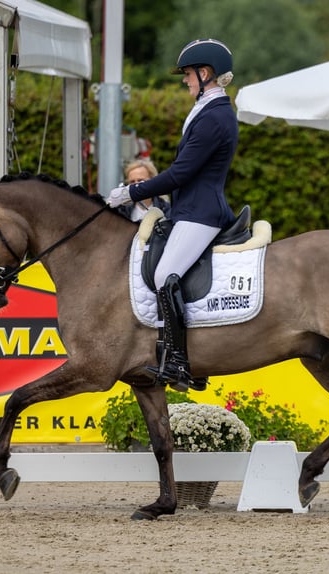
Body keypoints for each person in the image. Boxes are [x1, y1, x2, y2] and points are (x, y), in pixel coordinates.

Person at [106, 38, 238, 392]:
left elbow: (180, 174)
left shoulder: (215, 116)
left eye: (188, 74)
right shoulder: (208, 110)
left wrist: (130, 192)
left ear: (205, 73)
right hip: (189, 209)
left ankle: (181, 363)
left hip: (201, 212)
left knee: (166, 274)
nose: (185, 80)